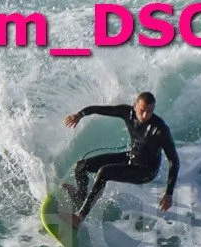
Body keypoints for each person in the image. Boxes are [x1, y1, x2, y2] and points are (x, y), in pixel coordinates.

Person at [62, 91, 178, 226]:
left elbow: (174, 160)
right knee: (81, 166)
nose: (145, 115)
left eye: (150, 112)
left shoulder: (160, 130)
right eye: (142, 110)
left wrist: (169, 193)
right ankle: (80, 198)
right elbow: (100, 109)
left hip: (146, 171)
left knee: (104, 172)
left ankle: (80, 217)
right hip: (132, 156)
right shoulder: (127, 112)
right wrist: (80, 114)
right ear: (135, 105)